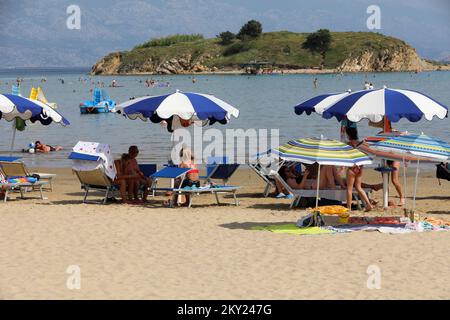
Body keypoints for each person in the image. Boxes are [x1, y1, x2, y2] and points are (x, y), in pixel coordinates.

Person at [344, 127, 373, 211]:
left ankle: (348, 208)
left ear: (348, 134)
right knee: (358, 187)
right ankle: (368, 204)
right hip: (360, 168)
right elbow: (365, 155)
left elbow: (346, 156)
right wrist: (361, 166)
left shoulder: (348, 144)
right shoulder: (361, 143)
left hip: (352, 167)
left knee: (349, 189)